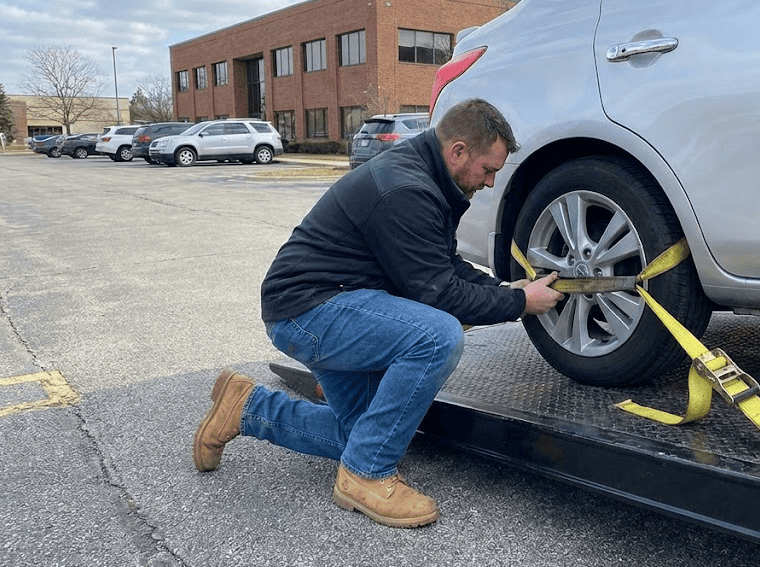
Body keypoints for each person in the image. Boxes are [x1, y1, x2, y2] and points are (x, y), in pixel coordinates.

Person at [192, 98, 562, 528]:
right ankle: (366, 475)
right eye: (488, 168)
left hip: (335, 304)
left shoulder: (424, 175)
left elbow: (441, 267)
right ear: (458, 151)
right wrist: (520, 303)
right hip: (309, 311)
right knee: (438, 334)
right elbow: (439, 294)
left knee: (363, 433)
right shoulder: (406, 189)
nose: (492, 181)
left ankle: (247, 407)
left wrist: (501, 289)